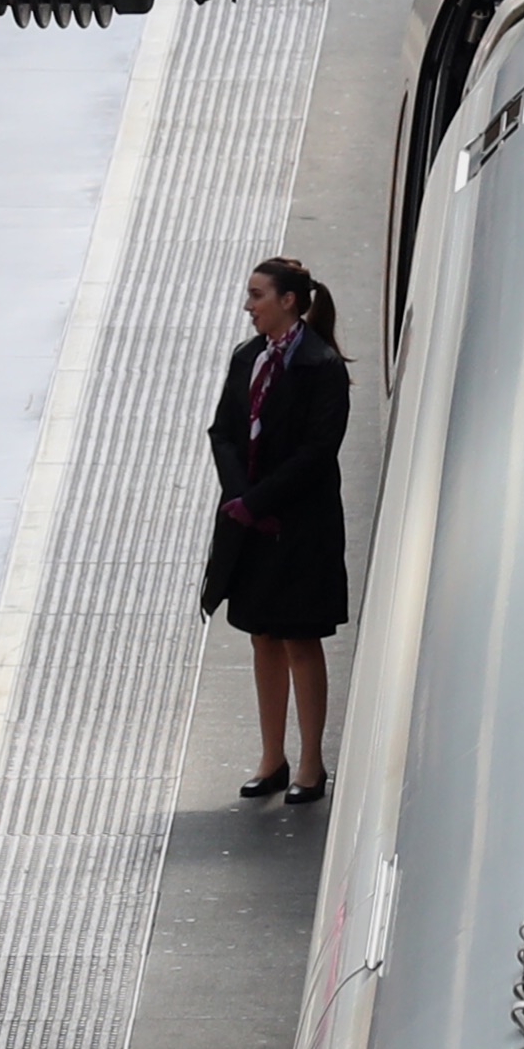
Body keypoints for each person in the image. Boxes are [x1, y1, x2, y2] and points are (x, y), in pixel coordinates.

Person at [202, 257, 349, 806]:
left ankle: (311, 762)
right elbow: (224, 431)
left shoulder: (321, 366)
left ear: (288, 300)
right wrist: (240, 496)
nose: (248, 305)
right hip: (253, 523)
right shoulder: (249, 358)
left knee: (300, 638)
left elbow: (317, 452)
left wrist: (258, 500)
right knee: (262, 635)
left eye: (257, 295)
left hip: (299, 528)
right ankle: (272, 756)